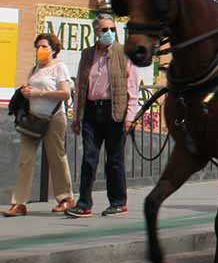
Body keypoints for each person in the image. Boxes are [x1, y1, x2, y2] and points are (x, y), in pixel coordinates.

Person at [65, 14, 139, 218]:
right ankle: (84, 204)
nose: (109, 33)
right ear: (96, 31)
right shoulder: (87, 54)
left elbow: (132, 89)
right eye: (104, 29)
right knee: (89, 158)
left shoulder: (123, 54)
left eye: (112, 30)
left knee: (114, 160)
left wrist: (129, 117)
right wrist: (76, 117)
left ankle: (118, 202)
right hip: (91, 112)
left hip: (114, 112)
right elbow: (80, 87)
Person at [6, 34, 74, 217]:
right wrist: (25, 92)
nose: (40, 50)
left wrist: (38, 93)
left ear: (53, 49)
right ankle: (19, 203)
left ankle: (65, 197)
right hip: (33, 119)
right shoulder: (34, 69)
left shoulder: (59, 68)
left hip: (54, 118)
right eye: (38, 47)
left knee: (56, 156)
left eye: (44, 46)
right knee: (25, 160)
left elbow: (65, 93)